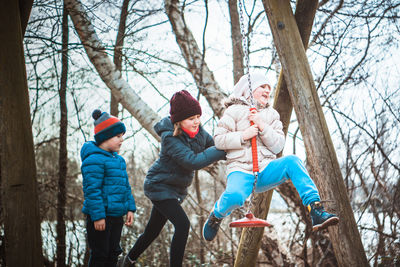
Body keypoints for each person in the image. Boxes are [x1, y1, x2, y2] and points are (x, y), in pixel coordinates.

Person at [202, 73, 339, 241]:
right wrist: (244, 135)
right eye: (262, 86)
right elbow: (219, 140)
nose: (267, 90)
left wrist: (262, 125)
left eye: (269, 87)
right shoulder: (233, 111)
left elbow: (278, 145)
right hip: (240, 170)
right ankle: (217, 214)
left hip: (266, 169)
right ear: (248, 90)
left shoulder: (271, 115)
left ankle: (315, 209)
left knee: (293, 162)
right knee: (235, 197)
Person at [119, 90, 226, 267]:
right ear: (179, 121)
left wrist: (231, 147)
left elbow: (214, 145)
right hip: (159, 186)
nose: (196, 121)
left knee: (152, 231)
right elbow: (192, 161)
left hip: (174, 189)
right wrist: (220, 152)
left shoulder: (199, 132)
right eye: (191, 118)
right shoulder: (170, 138)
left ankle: (127, 261)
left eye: (198, 116)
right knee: (183, 225)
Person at [81, 109, 136, 267]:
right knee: (100, 253)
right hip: (100, 218)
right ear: (105, 137)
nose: (121, 140)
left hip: (116, 216)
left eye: (122, 136)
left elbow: (125, 187)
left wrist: (130, 208)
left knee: (113, 252)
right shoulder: (94, 160)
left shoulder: (119, 161)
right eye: (118, 136)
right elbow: (92, 191)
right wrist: (98, 216)